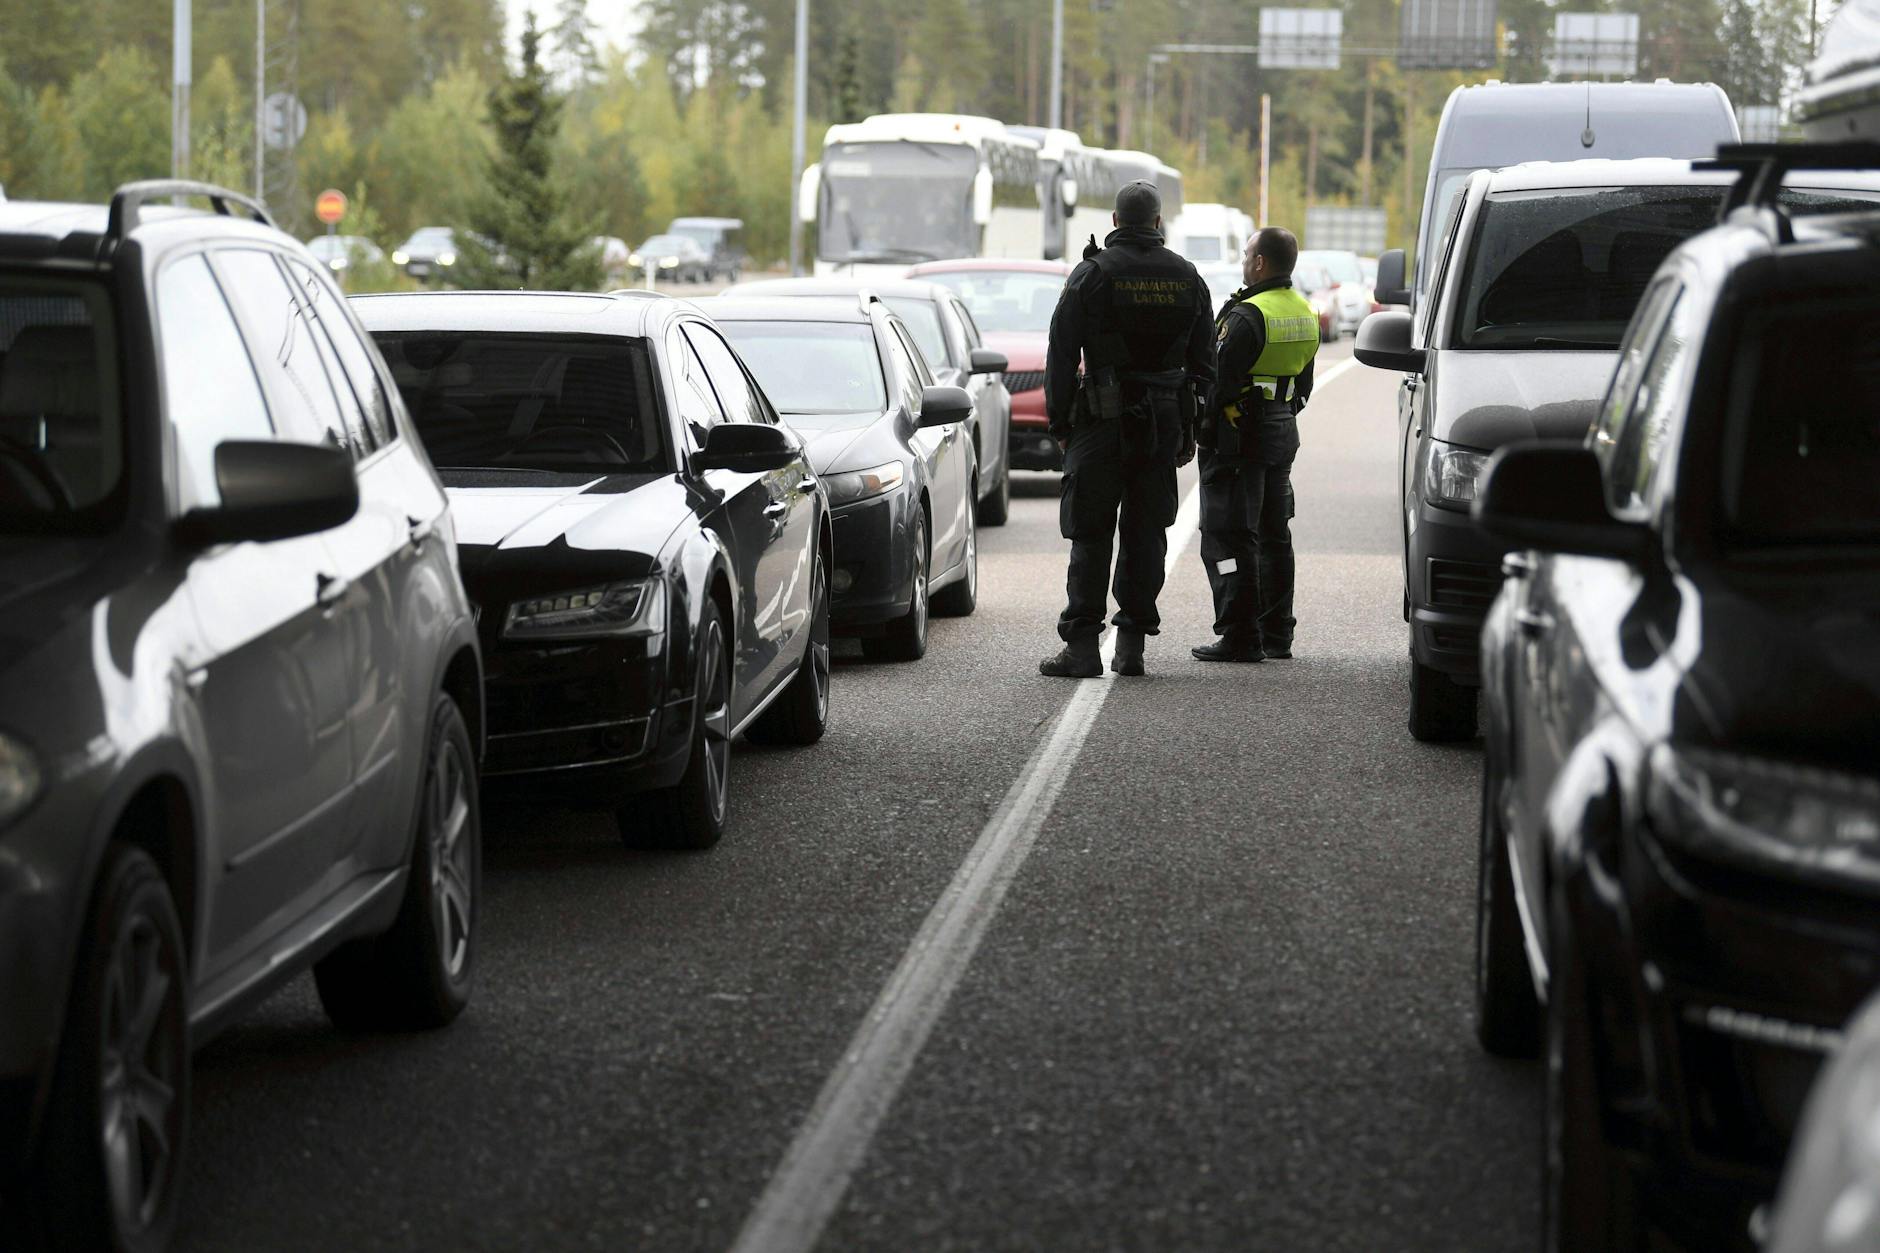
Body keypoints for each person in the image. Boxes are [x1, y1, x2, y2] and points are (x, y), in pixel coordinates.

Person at [1039, 181, 1216, 678]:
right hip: (1162, 421)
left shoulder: (1092, 274)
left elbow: (1061, 354)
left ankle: (1081, 648)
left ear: (1115, 221)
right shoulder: (1188, 277)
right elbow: (1206, 364)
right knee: (1146, 532)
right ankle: (1131, 646)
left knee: (1090, 533)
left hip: (1100, 420)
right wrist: (1190, 426)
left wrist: (1060, 422)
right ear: (1158, 223)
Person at [1191, 227, 1320, 663]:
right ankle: (1277, 633)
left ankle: (1239, 634)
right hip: (1282, 430)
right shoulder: (1305, 311)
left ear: (1260, 262)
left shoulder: (1247, 316)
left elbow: (1217, 383)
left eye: (1247, 254)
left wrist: (1204, 433)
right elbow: (1304, 385)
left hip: (1240, 436)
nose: (1244, 262)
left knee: (1229, 536)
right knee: (1274, 534)